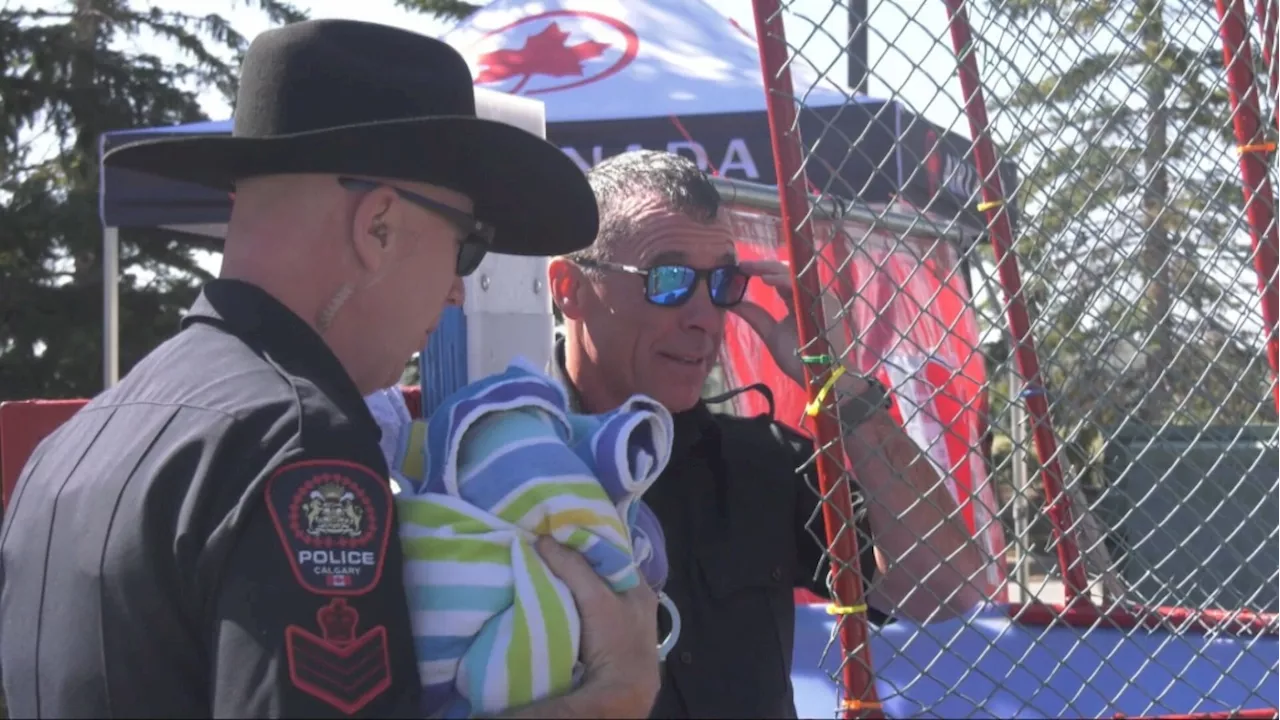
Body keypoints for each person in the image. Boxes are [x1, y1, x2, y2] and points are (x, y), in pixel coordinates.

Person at [0, 20, 660, 719]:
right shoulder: (299, 444)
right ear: (377, 226)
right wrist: (611, 695)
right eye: (466, 246)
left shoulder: (71, 446)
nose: (458, 288)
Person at [546, 150, 993, 718]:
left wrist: (842, 388)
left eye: (723, 282)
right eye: (669, 280)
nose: (704, 316)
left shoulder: (758, 463)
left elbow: (946, 584)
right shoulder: (499, 457)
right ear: (570, 287)